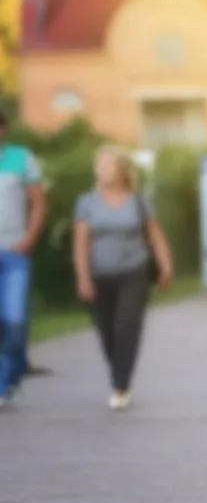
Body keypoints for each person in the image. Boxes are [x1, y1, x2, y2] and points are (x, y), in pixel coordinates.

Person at [72, 145, 174, 410]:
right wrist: (83, 278)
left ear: (121, 170)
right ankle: (119, 376)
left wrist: (166, 266)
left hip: (134, 272)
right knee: (107, 332)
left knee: (127, 326)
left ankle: (120, 386)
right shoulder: (87, 202)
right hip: (99, 275)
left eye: (109, 165)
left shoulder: (138, 200)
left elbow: (155, 235)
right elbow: (81, 244)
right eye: (100, 165)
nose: (102, 170)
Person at [0, 108, 47, 407]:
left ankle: (13, 374)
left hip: (14, 254)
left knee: (15, 323)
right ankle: (4, 386)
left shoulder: (21, 158)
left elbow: (39, 203)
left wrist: (29, 238)